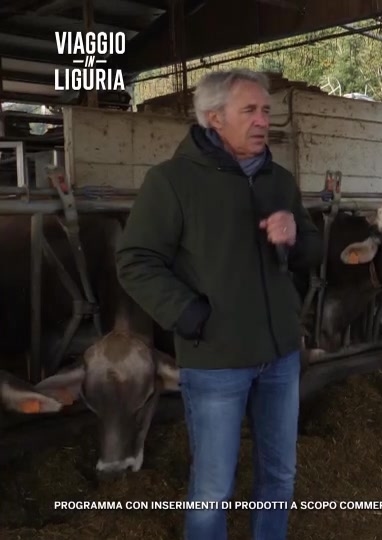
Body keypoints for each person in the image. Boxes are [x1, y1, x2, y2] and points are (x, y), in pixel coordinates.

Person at [115, 68, 324, 540]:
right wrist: (189, 315)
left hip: (281, 357)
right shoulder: (171, 182)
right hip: (216, 362)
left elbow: (313, 250)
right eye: (249, 110)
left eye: (266, 110)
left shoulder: (280, 179)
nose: (262, 120)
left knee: (280, 477)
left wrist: (295, 237)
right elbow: (135, 261)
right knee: (212, 487)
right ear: (214, 118)